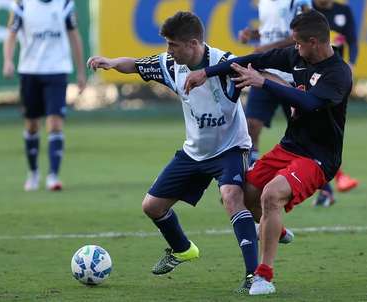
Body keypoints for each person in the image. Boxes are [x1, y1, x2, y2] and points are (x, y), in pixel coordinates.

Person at [87, 11, 259, 293]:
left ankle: (255, 276)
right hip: (194, 152)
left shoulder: (225, 64)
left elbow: (259, 73)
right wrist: (110, 62)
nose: (168, 51)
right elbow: (136, 65)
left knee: (231, 197)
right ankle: (182, 249)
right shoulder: (171, 65)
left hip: (230, 148)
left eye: (173, 45)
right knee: (151, 207)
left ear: (192, 44)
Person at [184, 9, 353, 295]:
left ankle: (264, 276)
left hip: (319, 158)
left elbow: (310, 103)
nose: (294, 47)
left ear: (315, 42)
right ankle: (278, 229)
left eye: (298, 43)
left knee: (271, 195)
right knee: (242, 193)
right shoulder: (297, 57)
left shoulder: (339, 74)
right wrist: (206, 72)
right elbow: (255, 60)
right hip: (290, 147)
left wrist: (266, 83)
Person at [2, 0, 86, 191]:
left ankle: (53, 176)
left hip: (57, 70)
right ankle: (33, 173)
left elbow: (75, 37)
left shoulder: (64, 4)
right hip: (29, 71)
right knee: (32, 125)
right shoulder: (22, 4)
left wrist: (81, 72)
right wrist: (7, 60)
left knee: (55, 122)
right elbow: (11, 34)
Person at [238, 0, 311, 164]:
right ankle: (251, 169)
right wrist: (253, 34)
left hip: (292, 75)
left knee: (301, 132)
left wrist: (268, 48)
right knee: (251, 124)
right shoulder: (264, 2)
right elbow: (271, 31)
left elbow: (304, 33)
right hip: (266, 72)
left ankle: (323, 184)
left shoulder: (298, 2)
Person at [312, 0, 359, 206]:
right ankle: (333, 178)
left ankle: (330, 182)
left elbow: (353, 41)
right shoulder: (307, 9)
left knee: (322, 128)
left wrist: (352, 63)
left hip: (335, 78)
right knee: (315, 130)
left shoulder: (343, 11)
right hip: (311, 75)